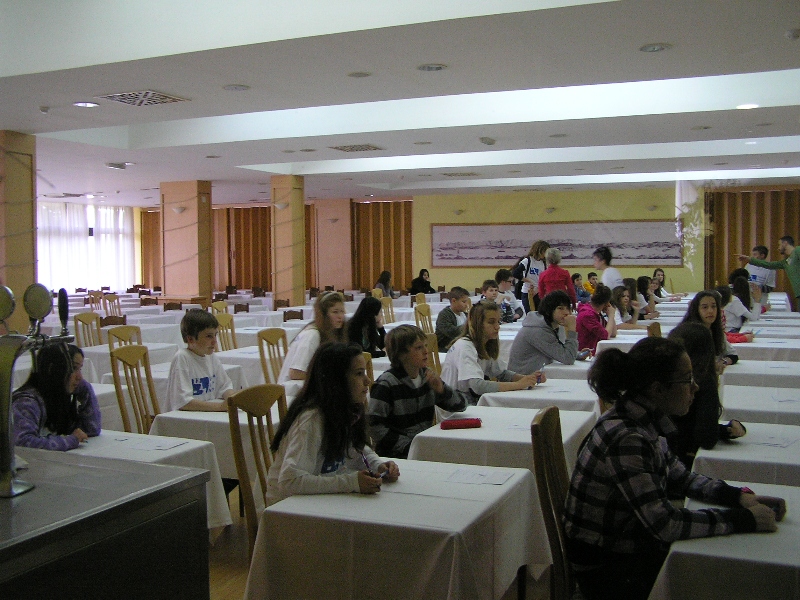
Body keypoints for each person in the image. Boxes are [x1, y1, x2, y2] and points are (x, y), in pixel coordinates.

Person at [564, 336, 785, 600]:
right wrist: (742, 519)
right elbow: (665, 524)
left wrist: (736, 496)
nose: (695, 387)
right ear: (658, 389)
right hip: (606, 568)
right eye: (687, 379)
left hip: (626, 544)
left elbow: (680, 477)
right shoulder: (628, 438)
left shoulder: (645, 419)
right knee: (726, 580)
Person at [266, 342, 400, 506]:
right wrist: (351, 482)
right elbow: (290, 481)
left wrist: (378, 465)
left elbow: (356, 448)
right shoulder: (311, 419)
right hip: (286, 508)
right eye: (359, 373)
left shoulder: (346, 409)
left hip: (318, 502)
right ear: (336, 381)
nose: (367, 380)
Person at [368, 325, 466, 458]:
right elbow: (373, 425)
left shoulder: (427, 377)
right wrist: (409, 446)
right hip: (397, 454)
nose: (426, 351)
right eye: (419, 347)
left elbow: (461, 405)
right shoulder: (387, 384)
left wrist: (442, 390)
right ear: (401, 354)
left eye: (426, 346)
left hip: (425, 444)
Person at [667, 322, 746, 467]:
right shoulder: (701, 382)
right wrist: (723, 430)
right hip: (679, 458)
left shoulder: (664, 377)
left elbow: (685, 425)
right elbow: (706, 439)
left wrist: (724, 430)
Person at [441, 301, 543, 404]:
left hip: (469, 401)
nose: (497, 326)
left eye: (498, 322)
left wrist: (528, 379)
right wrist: (518, 385)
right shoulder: (465, 346)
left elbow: (501, 374)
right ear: (477, 323)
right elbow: (477, 386)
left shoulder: (485, 343)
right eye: (491, 322)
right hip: (454, 405)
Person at [13, 343, 100, 451]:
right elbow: (22, 442)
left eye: (80, 369)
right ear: (54, 369)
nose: (80, 377)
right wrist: (71, 440)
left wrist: (85, 388)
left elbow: (91, 429)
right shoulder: (26, 402)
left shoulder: (57, 398)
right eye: (73, 368)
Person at [166, 309, 234, 411]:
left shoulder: (211, 357)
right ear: (190, 339)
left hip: (205, 414)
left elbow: (225, 387)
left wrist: (232, 400)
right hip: (184, 417)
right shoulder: (182, 358)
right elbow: (183, 402)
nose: (215, 341)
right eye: (209, 336)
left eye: (215, 335)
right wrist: (219, 407)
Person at [278, 291, 347, 382]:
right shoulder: (312, 335)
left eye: (342, 312)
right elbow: (295, 373)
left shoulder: (332, 333)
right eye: (335, 312)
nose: (340, 316)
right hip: (293, 388)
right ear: (323, 314)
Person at [508, 290, 578, 374]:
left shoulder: (554, 325)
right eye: (560, 308)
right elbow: (568, 358)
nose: (566, 312)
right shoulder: (537, 330)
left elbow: (560, 351)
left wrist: (577, 354)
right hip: (522, 378)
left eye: (568, 308)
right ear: (549, 310)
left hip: (538, 375)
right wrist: (571, 330)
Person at [680, 290, 739, 367]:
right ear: (696, 310)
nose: (710, 311)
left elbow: (733, 354)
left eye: (713, 306)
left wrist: (722, 362)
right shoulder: (687, 334)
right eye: (705, 307)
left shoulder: (716, 332)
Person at [739, 235, 800, 308]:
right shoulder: (785, 262)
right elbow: (768, 265)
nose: (778, 248)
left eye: (779, 245)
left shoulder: (797, 250)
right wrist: (749, 259)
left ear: (785, 243)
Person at [576, 284, 617, 353]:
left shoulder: (596, 314)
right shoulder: (587, 315)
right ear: (607, 303)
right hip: (586, 353)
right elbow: (605, 335)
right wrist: (611, 316)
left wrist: (610, 316)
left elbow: (613, 333)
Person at [435, 286, 470, 351]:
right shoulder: (444, 315)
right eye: (464, 302)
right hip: (445, 348)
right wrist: (468, 327)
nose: (466, 305)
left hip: (462, 346)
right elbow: (451, 332)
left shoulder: (465, 314)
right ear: (454, 301)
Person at [519, 240, 550, 313]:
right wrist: (529, 281)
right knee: (531, 314)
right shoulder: (527, 261)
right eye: (545, 251)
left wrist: (538, 289)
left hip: (539, 292)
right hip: (528, 292)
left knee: (540, 314)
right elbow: (516, 273)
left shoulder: (544, 263)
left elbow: (545, 280)